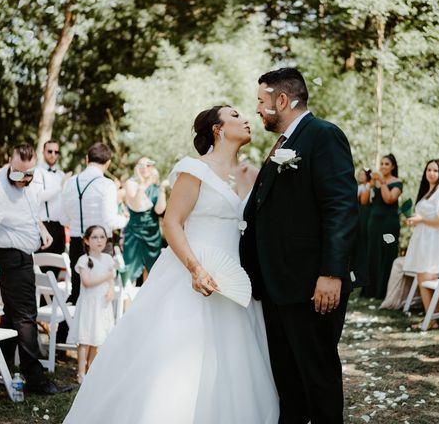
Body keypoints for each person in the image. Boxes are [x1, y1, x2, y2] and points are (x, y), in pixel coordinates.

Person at [63, 105, 278, 423]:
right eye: (234, 115)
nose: (246, 119)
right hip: (191, 270)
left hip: (234, 279)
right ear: (217, 129)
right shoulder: (194, 168)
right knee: (177, 359)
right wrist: (195, 268)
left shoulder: (250, 174)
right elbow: (172, 223)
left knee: (234, 359)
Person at [240, 68, 358, 424]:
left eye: (262, 101)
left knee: (317, 376)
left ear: (282, 100)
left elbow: (341, 206)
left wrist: (331, 273)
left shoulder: (322, 135)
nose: (257, 109)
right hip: (278, 286)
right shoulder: (283, 143)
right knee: (288, 382)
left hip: (310, 284)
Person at [0, 143, 70, 395]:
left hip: (25, 252)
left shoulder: (30, 180)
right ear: (9, 161)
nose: (24, 179)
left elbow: (29, 208)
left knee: (12, 314)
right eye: (18, 173)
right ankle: (36, 380)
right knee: (26, 317)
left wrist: (40, 229)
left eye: (29, 173)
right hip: (11, 257)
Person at [61, 143, 127, 303]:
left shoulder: (70, 183)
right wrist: (126, 220)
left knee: (78, 294)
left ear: (86, 159)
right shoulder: (106, 184)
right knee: (102, 295)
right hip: (101, 246)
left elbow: (63, 219)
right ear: (108, 162)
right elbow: (110, 220)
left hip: (77, 244)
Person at [402, 159, 439, 327]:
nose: (431, 173)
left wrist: (422, 220)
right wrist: (416, 221)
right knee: (427, 278)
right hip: (424, 239)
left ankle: (430, 320)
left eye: (435, 171)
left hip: (434, 241)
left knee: (423, 277)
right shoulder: (428, 191)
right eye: (429, 170)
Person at [66, 225, 116, 384]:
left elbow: (111, 281)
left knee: (97, 338)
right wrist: (107, 276)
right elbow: (87, 282)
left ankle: (91, 370)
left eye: (102, 237)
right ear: (87, 241)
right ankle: (81, 373)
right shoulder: (84, 260)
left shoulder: (108, 259)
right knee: (86, 338)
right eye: (94, 237)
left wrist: (111, 289)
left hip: (102, 304)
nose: (99, 240)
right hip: (89, 304)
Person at [361, 154, 402, 300]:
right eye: (382, 164)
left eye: (387, 164)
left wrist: (383, 182)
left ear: (393, 167)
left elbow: (389, 199)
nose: (383, 166)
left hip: (389, 224)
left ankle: (384, 290)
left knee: (387, 254)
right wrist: (371, 183)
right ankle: (371, 290)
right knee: (373, 253)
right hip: (374, 223)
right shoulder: (375, 181)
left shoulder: (397, 182)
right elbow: (364, 201)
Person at [122, 157, 167, 284]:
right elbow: (136, 205)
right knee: (130, 270)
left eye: (149, 165)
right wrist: (143, 183)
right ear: (136, 168)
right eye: (141, 165)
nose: (145, 168)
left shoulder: (155, 187)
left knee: (153, 272)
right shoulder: (131, 183)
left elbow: (159, 211)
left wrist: (162, 190)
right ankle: (126, 301)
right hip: (134, 232)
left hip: (152, 233)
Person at [37, 140, 70, 255]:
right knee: (43, 266)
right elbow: (39, 196)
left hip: (60, 226)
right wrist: (60, 187)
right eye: (50, 151)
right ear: (43, 152)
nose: (53, 154)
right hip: (45, 226)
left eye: (56, 152)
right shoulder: (37, 172)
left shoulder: (61, 174)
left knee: (58, 264)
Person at [351, 167, 372, 289]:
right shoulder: (359, 187)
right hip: (360, 214)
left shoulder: (367, 187)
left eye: (362, 174)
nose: (360, 176)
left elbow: (364, 201)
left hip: (366, 215)